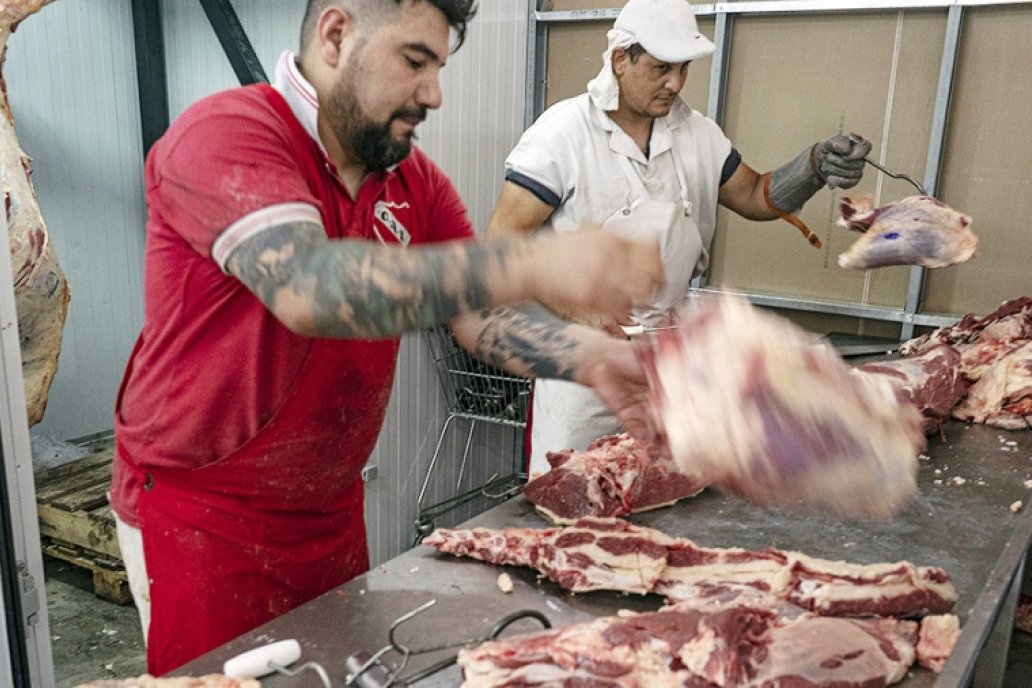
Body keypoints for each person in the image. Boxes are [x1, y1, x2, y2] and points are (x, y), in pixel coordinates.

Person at [109, 0, 664, 675]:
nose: (433, 93)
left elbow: (477, 316)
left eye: (439, 68)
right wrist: (531, 260)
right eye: (414, 62)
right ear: (336, 35)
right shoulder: (228, 134)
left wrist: (596, 359)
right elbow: (311, 288)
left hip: (326, 509)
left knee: (341, 675)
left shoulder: (411, 181)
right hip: (204, 515)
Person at [485, 0, 873, 475]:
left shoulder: (698, 135)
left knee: (656, 508)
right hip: (585, 374)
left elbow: (753, 193)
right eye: (661, 68)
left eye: (683, 69)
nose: (675, 83)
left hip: (667, 368)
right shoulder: (562, 136)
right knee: (577, 503)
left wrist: (813, 166)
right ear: (619, 59)